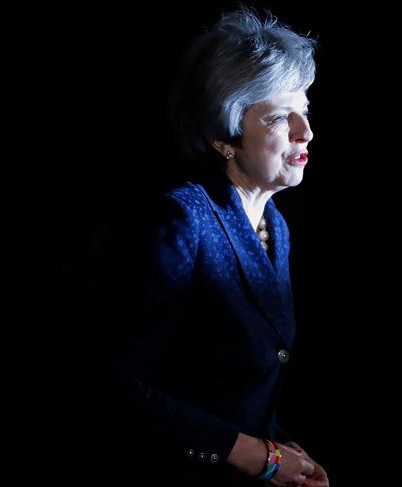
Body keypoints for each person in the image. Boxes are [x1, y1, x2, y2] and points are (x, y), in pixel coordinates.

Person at [88, 7, 329, 487]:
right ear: (226, 137)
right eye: (282, 117)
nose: (306, 132)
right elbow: (116, 387)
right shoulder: (181, 220)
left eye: (306, 110)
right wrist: (258, 456)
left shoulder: (275, 226)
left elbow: (222, 383)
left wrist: (278, 446)